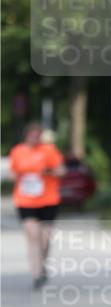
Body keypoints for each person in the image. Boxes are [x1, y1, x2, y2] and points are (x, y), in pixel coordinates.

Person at [8, 122, 65, 289]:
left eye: (38, 134)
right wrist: (20, 175)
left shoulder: (49, 150)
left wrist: (46, 172)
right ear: (26, 135)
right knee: (32, 234)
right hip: (25, 200)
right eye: (32, 134)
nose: (35, 137)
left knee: (45, 238)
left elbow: (61, 171)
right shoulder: (18, 151)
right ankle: (36, 272)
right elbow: (12, 173)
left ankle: (43, 263)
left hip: (48, 199)